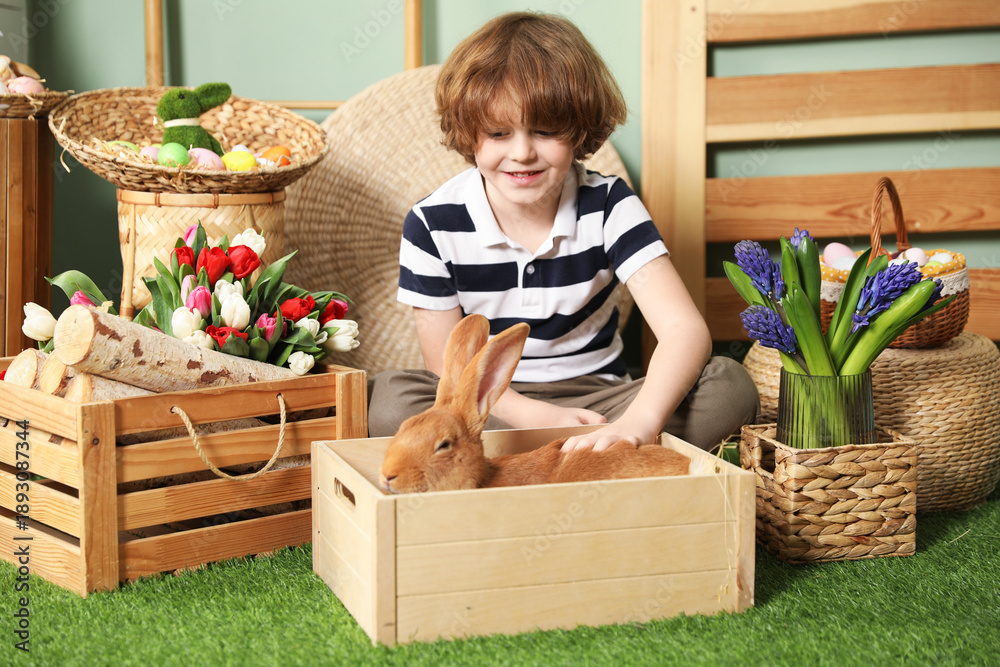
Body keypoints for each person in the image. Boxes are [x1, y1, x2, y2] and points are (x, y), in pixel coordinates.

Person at [368, 11, 759, 452]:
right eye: (498, 133)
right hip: (490, 405)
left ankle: (577, 455)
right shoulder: (432, 223)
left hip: (600, 403)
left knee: (729, 387)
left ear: (578, 131)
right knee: (389, 402)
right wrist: (534, 416)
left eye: (546, 131)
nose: (522, 153)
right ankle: (584, 461)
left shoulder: (610, 205)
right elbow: (445, 365)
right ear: (469, 135)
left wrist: (638, 424)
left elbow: (683, 330)